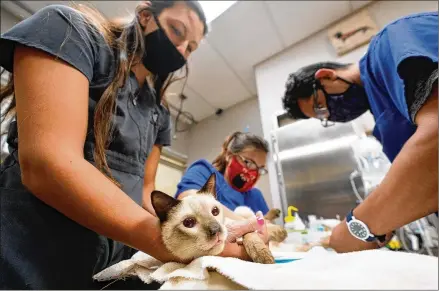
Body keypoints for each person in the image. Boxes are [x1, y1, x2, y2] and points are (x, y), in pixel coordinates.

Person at [0, 2, 259, 289]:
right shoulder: (70, 30)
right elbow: (47, 163)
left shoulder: (158, 114)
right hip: (31, 250)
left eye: (191, 48)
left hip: (114, 265)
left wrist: (204, 228)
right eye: (177, 31)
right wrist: (170, 243)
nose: (182, 49)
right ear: (145, 16)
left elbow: (147, 191)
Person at [281, 11, 438, 253]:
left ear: (325, 76)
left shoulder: (391, 42)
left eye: (320, 108)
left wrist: (359, 224)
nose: (331, 116)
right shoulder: (382, 116)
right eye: (323, 118)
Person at [175, 131, 270, 217]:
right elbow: (191, 203)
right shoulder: (204, 172)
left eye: (260, 169)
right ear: (229, 155)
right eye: (248, 162)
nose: (254, 173)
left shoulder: (255, 196)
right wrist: (248, 225)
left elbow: (270, 229)